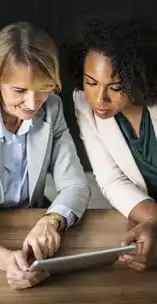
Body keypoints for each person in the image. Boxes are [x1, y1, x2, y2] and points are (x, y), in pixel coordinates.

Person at [0, 22, 90, 289]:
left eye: (44, 88)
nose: (33, 104)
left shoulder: (53, 108)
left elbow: (76, 185)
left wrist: (51, 220)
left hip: (33, 225)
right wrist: (4, 260)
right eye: (20, 91)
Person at [61, 16, 157, 271]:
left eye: (115, 87)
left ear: (135, 77)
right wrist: (152, 221)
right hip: (145, 216)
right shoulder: (84, 103)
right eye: (91, 82)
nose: (99, 98)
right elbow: (111, 180)